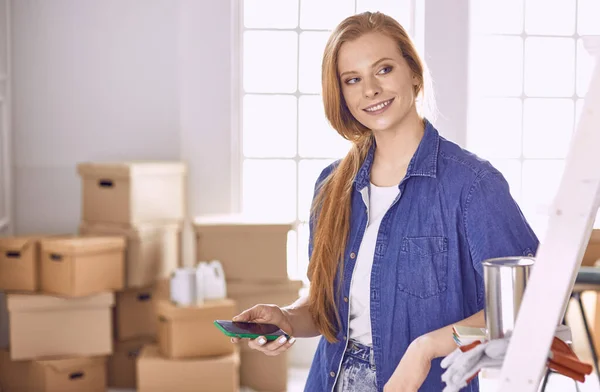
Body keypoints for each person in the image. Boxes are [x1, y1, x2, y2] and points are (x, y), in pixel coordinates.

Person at [231, 11, 539, 392]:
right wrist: (288, 319)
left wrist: (426, 349)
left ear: (413, 72)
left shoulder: (473, 185)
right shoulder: (331, 186)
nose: (370, 90)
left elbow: (529, 302)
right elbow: (328, 309)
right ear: (341, 93)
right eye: (353, 79)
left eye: (384, 69)